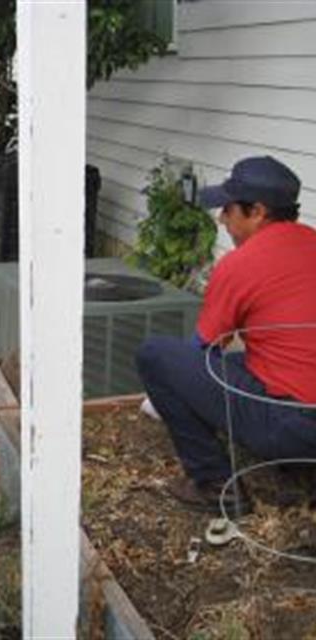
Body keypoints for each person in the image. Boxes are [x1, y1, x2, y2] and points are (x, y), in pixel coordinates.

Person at [135, 156, 316, 515]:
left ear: (258, 212)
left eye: (229, 211)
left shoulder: (241, 264)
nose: (222, 220)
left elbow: (203, 349)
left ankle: (216, 486)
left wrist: (165, 397)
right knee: (247, 361)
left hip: (293, 424)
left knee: (156, 356)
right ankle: (301, 467)